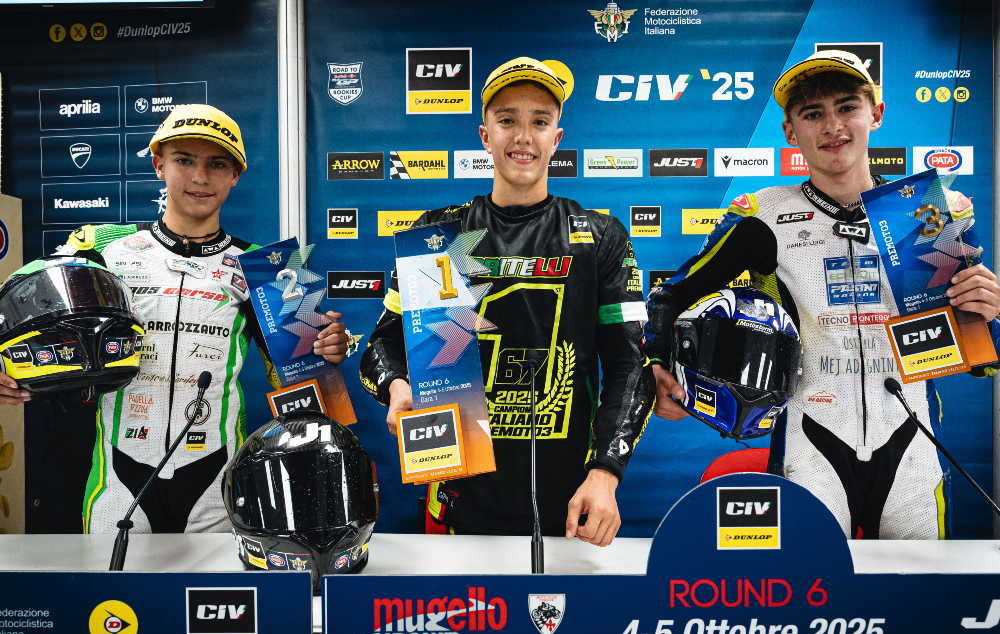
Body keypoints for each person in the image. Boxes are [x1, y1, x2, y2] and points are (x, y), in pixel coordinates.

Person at [646, 51, 1000, 539]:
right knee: (811, 582)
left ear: (876, 113)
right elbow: (671, 297)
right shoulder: (761, 216)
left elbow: (982, 355)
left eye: (847, 107)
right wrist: (659, 367)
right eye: (812, 114)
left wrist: (989, 312)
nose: (832, 126)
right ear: (791, 132)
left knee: (920, 586)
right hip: (808, 439)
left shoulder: (931, 210)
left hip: (913, 442)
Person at [0, 104, 351, 533]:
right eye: (184, 160)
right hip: (117, 478)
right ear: (159, 164)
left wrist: (326, 349)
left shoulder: (273, 268)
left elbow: (314, 387)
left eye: (216, 164)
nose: (200, 177)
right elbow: (18, 306)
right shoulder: (101, 247)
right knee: (113, 580)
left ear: (235, 174)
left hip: (217, 479)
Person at [359, 57, 655, 546]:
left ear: (556, 138)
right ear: (485, 135)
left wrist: (605, 472)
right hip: (455, 498)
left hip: (571, 508)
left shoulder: (600, 236)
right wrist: (395, 386)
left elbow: (629, 364)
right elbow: (382, 345)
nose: (523, 136)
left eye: (539, 121)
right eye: (507, 120)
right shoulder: (440, 235)